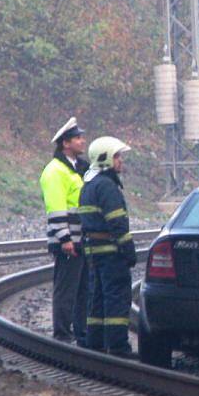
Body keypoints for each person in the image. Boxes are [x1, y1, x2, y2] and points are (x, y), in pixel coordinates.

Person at [78, 136, 137, 356]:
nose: (120, 161)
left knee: (97, 298)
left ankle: (96, 343)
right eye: (117, 156)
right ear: (105, 159)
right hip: (111, 253)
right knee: (116, 298)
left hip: (93, 252)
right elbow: (117, 223)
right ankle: (118, 346)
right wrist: (128, 251)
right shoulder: (107, 187)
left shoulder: (89, 185)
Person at [39, 117, 89, 345]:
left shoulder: (75, 169)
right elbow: (56, 207)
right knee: (66, 289)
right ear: (65, 143)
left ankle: (80, 331)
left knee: (81, 289)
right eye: (78, 138)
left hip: (81, 239)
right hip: (69, 241)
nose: (82, 141)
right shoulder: (55, 171)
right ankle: (61, 332)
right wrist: (65, 238)